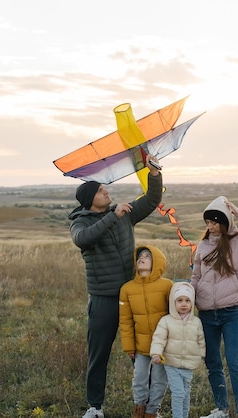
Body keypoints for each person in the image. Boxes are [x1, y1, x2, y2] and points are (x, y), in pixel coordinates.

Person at [69, 156, 163, 418]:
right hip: (103, 300)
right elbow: (83, 239)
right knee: (98, 355)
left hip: (133, 295)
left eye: (104, 188)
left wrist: (154, 175)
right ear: (90, 200)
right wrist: (114, 216)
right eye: (100, 190)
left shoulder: (122, 215)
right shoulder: (81, 222)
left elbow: (151, 201)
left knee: (143, 353)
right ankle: (95, 407)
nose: (106, 191)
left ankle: (149, 407)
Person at [190, 196, 238, 418]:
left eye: (215, 222)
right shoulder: (203, 246)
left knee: (234, 362)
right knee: (213, 362)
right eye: (208, 222)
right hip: (206, 314)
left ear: (225, 221)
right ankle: (221, 409)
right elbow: (196, 276)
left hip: (231, 314)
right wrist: (188, 295)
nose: (211, 226)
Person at [119, 246, 174, 418]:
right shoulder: (127, 289)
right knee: (139, 379)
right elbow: (125, 321)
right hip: (140, 346)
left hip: (163, 346)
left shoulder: (167, 285)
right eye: (139, 256)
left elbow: (174, 315)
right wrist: (129, 347)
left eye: (147, 256)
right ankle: (139, 410)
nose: (141, 258)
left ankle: (152, 412)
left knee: (159, 380)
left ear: (156, 262)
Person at [150, 282, 206, 418]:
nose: (184, 304)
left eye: (187, 300)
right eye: (179, 300)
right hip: (172, 363)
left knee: (186, 392)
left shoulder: (196, 322)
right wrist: (156, 353)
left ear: (192, 303)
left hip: (189, 364)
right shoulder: (166, 321)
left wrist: (202, 356)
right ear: (173, 303)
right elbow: (159, 338)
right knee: (178, 392)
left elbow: (200, 340)